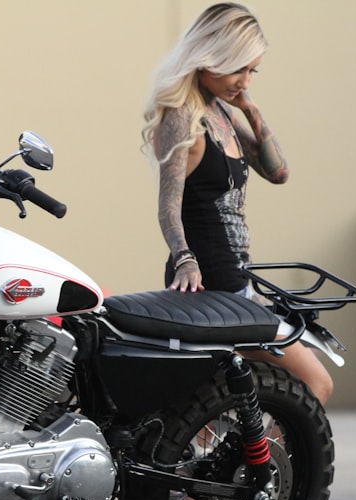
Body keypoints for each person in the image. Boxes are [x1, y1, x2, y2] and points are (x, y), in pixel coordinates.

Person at [141, 2, 333, 405]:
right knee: (316, 382)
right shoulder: (182, 116)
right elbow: (167, 205)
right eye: (237, 68)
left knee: (215, 402)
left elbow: (278, 172)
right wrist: (184, 258)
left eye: (252, 71)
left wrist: (252, 110)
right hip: (207, 285)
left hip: (236, 283)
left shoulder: (222, 113)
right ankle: (259, 468)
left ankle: (235, 464)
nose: (243, 81)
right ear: (208, 57)